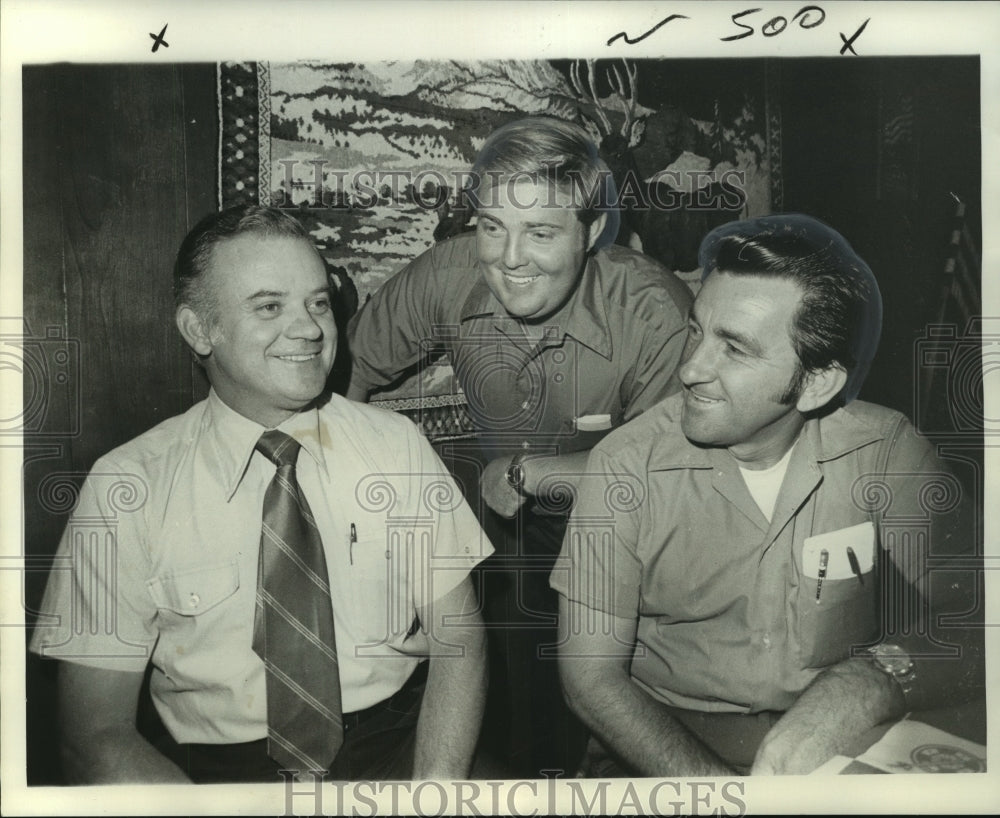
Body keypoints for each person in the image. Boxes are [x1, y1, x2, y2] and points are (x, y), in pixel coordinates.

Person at [29, 205, 491, 784]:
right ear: (201, 330)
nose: (310, 329)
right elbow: (94, 737)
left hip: (400, 751)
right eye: (270, 306)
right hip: (218, 780)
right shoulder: (126, 486)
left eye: (317, 302)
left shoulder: (395, 445)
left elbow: (460, 638)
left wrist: (434, 793)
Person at [553, 213, 984, 776]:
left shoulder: (886, 452)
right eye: (697, 331)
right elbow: (590, 682)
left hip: (836, 740)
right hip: (663, 749)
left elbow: (978, 618)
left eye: (734, 348)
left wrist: (868, 683)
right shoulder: (625, 466)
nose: (690, 369)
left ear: (815, 383)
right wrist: (727, 797)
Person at [346, 116, 693, 775]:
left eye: (540, 231)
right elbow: (351, 373)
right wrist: (343, 511)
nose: (509, 258)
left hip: (633, 527)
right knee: (504, 714)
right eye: (492, 227)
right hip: (505, 525)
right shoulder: (448, 275)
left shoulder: (654, 312)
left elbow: (671, 476)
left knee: (606, 705)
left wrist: (535, 472)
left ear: (590, 232)